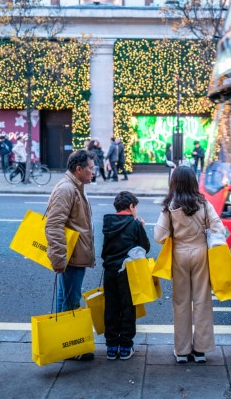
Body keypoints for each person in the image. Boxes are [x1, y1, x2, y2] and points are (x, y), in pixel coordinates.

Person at [154, 166, 225, 364]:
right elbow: (219, 228)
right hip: (201, 252)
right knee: (202, 300)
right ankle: (201, 350)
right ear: (193, 181)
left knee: (181, 302)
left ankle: (182, 351)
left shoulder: (169, 205)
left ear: (174, 182)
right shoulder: (203, 202)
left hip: (179, 254)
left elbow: (159, 236)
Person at [45, 149, 96, 361]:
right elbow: (53, 224)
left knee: (65, 297)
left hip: (74, 253)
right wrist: (59, 259)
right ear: (79, 169)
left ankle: (64, 343)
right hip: (71, 256)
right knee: (70, 299)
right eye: (90, 168)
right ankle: (71, 347)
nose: (93, 172)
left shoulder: (76, 187)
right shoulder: (67, 189)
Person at [101, 191, 151, 361]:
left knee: (111, 307)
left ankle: (111, 347)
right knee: (128, 308)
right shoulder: (135, 224)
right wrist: (142, 228)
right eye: (135, 207)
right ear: (131, 207)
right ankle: (125, 348)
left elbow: (105, 250)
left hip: (110, 271)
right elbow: (144, 248)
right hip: (128, 271)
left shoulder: (108, 222)